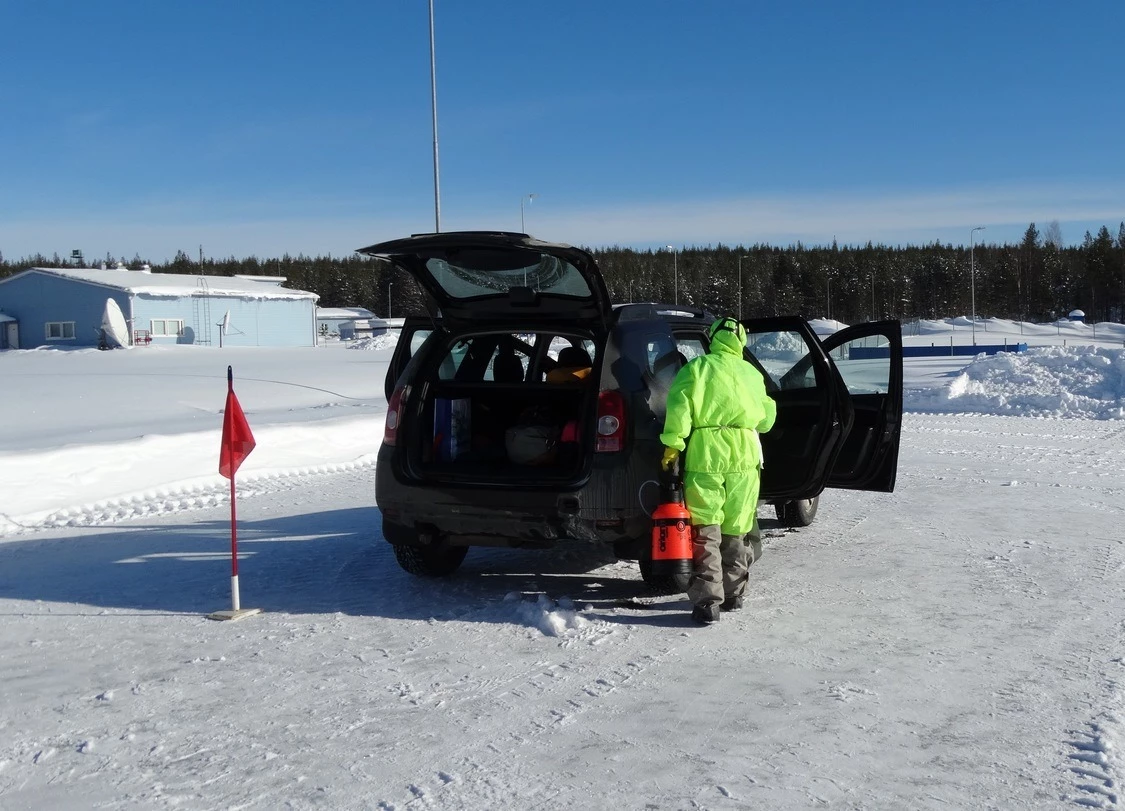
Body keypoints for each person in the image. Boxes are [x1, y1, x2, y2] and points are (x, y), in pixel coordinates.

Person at [659, 316, 776, 625]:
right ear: (742, 341)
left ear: (711, 339)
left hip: (706, 452)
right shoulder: (752, 373)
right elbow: (766, 419)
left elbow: (680, 408)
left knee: (706, 526)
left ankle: (707, 602)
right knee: (737, 525)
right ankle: (735, 593)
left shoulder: (696, 369)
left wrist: (673, 445)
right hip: (745, 453)